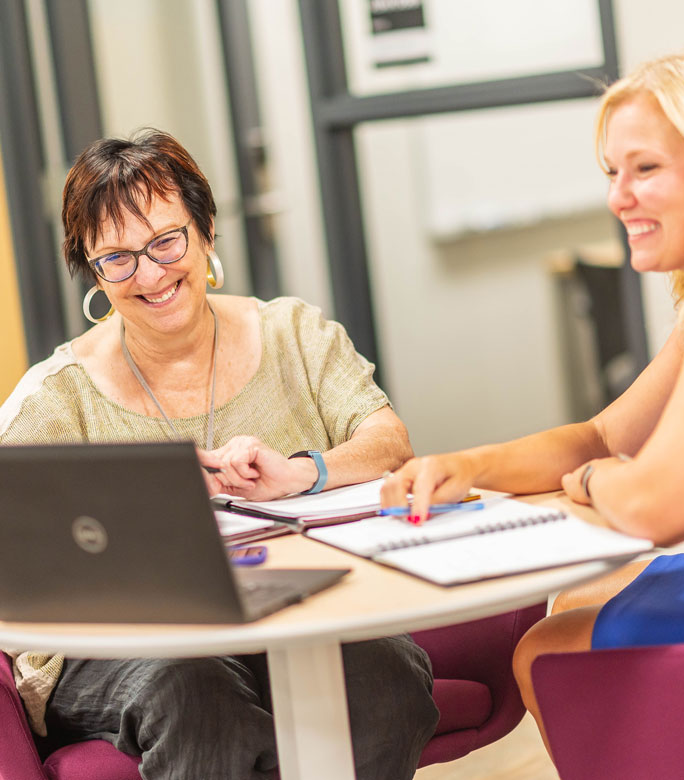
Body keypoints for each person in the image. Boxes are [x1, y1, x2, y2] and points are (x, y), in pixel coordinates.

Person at [381, 42, 684, 756]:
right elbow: (603, 435)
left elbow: (659, 508)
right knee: (581, 599)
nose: (617, 198)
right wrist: (469, 465)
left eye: (646, 170)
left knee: (549, 653)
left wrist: (594, 484)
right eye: (611, 173)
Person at [0, 129, 438, 779]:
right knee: (196, 692)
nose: (149, 273)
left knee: (385, 674)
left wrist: (302, 473)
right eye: (117, 259)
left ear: (205, 233)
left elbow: (388, 445)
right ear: (93, 272)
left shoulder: (294, 333)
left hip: (298, 607)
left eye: (165, 241)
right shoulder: (55, 397)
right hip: (123, 645)